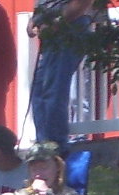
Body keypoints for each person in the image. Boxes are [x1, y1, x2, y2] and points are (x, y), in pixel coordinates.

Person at [28, 0, 94, 157]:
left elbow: (81, 3)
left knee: (54, 88)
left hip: (71, 26)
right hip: (54, 28)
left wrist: (57, 23)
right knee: (40, 90)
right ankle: (44, 145)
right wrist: (34, 19)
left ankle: (56, 148)